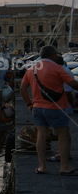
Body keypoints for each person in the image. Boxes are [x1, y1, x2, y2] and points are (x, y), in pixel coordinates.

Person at [21, 45, 78, 174]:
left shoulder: (31, 69)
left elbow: (22, 89)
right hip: (56, 107)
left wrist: (29, 104)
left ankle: (42, 166)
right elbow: (73, 84)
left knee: (41, 135)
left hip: (37, 107)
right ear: (53, 55)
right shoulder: (57, 68)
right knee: (62, 135)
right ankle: (64, 167)